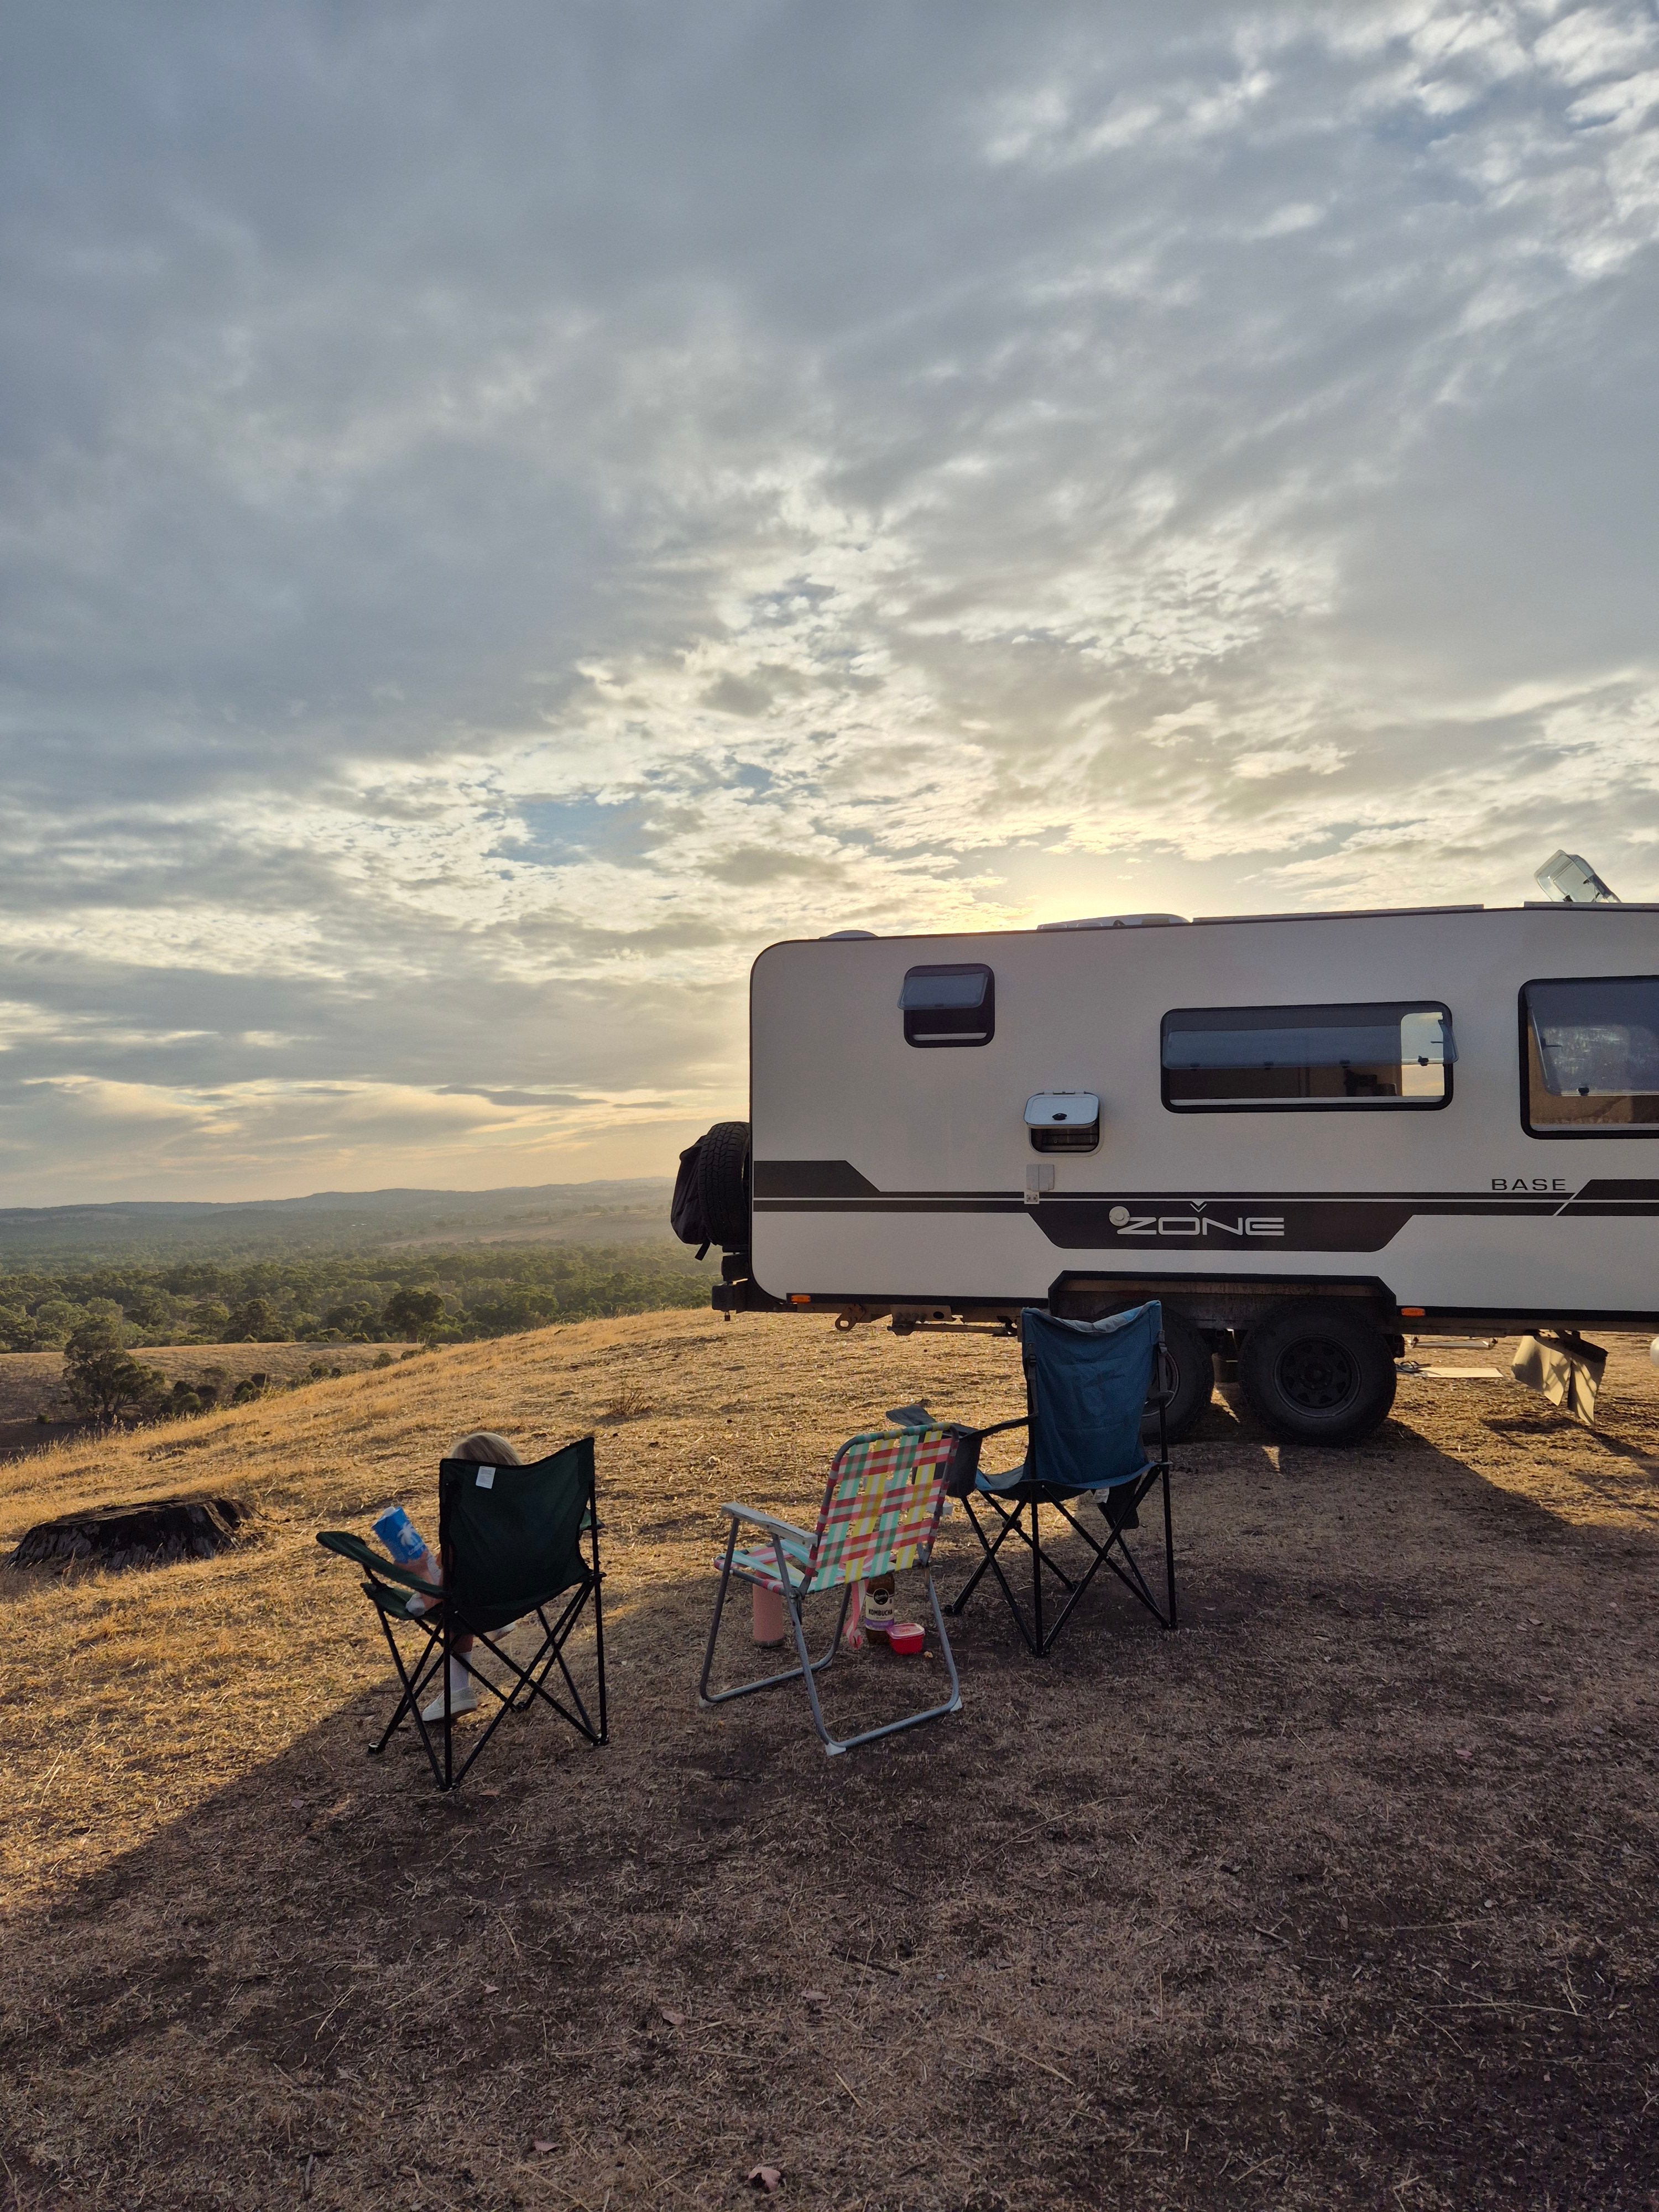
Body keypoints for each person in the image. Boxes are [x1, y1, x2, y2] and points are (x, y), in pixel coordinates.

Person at [421, 1430, 522, 1723]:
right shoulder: (535, 1509)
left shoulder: (463, 1527)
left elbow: (440, 1589)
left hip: (475, 1603)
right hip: (527, 1591)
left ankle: (458, 1689)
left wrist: (418, 1572)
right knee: (466, 1590)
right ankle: (500, 1620)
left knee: (453, 1601)